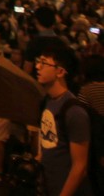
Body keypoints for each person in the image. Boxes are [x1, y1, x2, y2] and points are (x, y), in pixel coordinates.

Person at [36, 42, 92, 196]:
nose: (38, 67)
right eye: (38, 61)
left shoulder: (74, 111)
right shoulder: (48, 101)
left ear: (60, 72)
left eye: (44, 63)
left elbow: (80, 166)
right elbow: (51, 143)